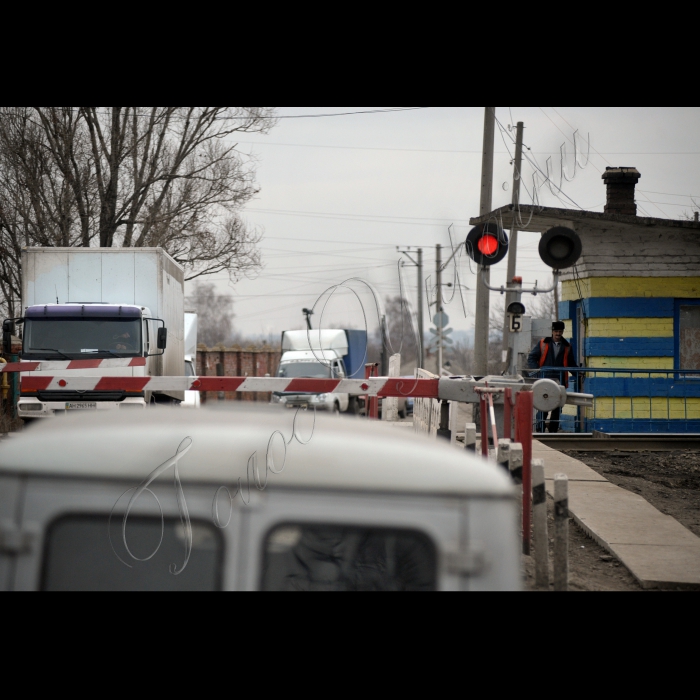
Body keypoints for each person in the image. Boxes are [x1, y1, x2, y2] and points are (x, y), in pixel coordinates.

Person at [527, 321, 577, 433]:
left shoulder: (567, 346)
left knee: (557, 408)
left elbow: (571, 364)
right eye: (556, 331)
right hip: (544, 380)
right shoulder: (543, 343)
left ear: (563, 332)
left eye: (560, 331)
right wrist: (537, 372)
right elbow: (531, 358)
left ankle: (553, 433)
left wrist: (578, 374)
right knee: (542, 406)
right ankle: (540, 430)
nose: (558, 333)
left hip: (559, 382)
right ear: (552, 332)